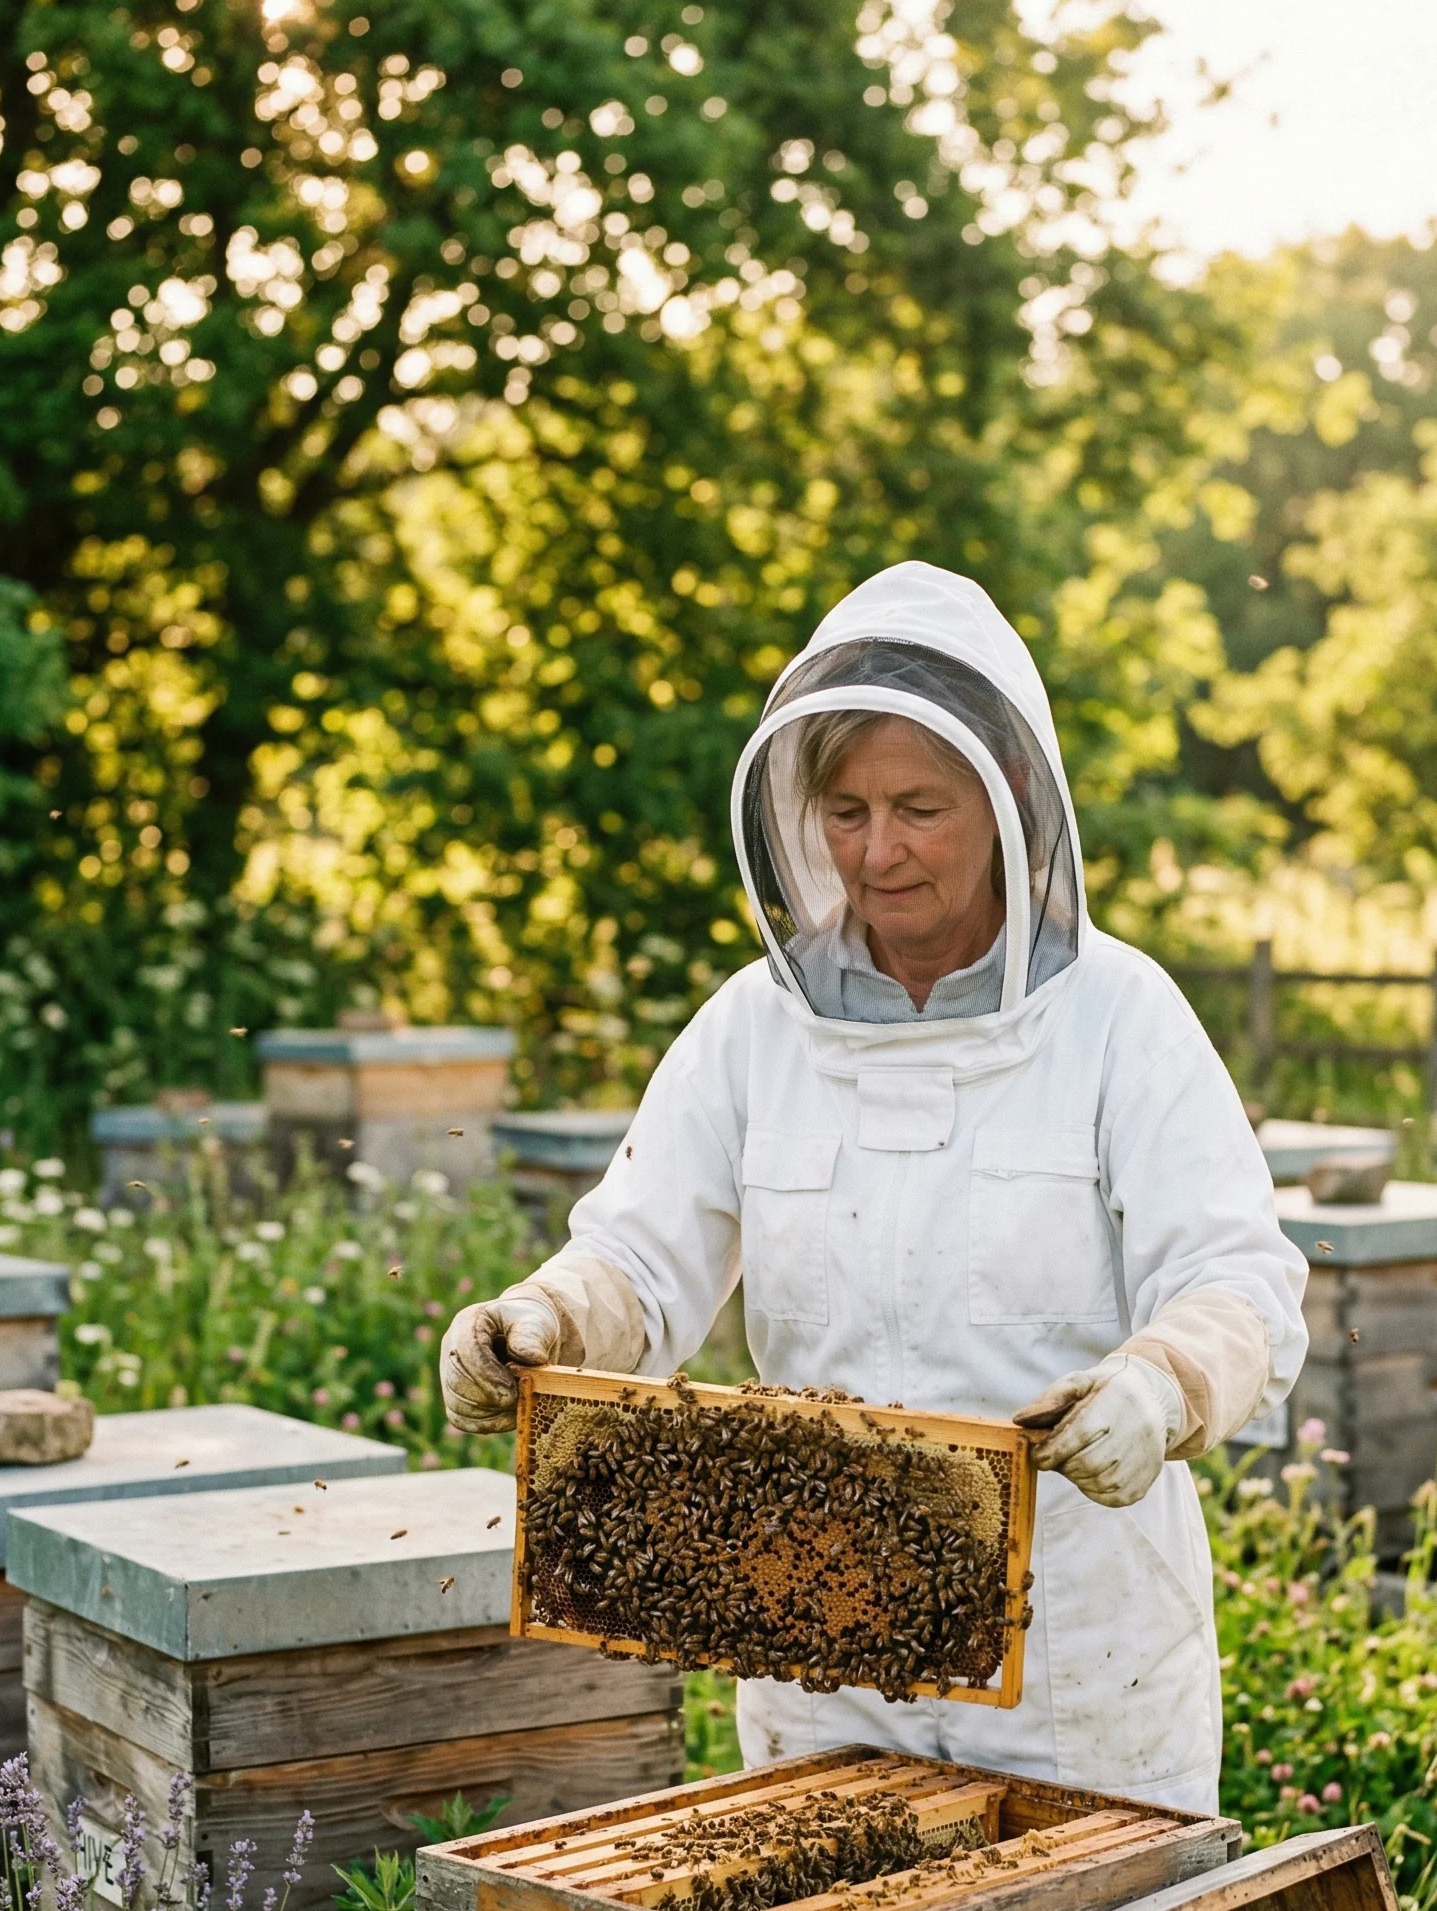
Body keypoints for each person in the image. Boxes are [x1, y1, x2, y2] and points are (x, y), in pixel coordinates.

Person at [440, 562, 1306, 1812]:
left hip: (1077, 1665)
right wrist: (548, 1321)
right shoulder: (754, 1028)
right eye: (844, 810)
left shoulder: (1119, 1020)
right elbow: (639, 1259)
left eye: (918, 808)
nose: (878, 851)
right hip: (816, 1657)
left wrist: (1164, 1385)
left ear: (1007, 797)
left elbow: (1238, 1277)